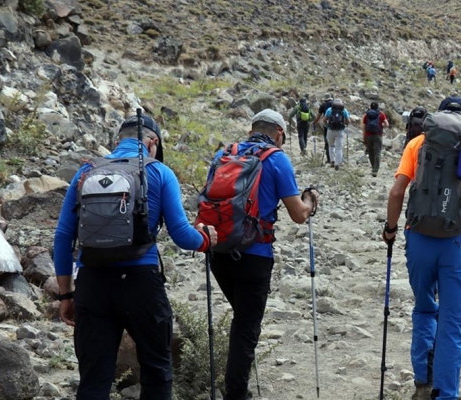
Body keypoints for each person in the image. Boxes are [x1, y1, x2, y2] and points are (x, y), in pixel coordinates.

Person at [53, 113, 218, 400]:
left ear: (117, 142)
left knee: (93, 378)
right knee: (156, 371)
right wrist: (206, 239)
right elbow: (181, 234)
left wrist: (66, 296)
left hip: (93, 285)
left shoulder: (85, 172)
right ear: (152, 143)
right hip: (141, 284)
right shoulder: (159, 172)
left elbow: (63, 237)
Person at [383, 97, 461, 400]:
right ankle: (445, 393)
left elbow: (397, 192)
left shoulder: (418, 144)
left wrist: (391, 229)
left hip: (419, 237)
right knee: (452, 322)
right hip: (456, 243)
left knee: (424, 308)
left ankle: (422, 379)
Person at [208, 109, 319, 400]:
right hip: (255, 254)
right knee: (246, 327)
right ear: (279, 134)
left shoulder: (224, 154)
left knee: (241, 320)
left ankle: (236, 381)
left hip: (219, 251)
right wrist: (309, 201)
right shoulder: (276, 158)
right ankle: (236, 393)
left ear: (251, 130)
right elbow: (298, 214)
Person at [361, 102, 389, 177]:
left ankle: (373, 167)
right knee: (377, 152)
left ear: (370, 107)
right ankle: (375, 170)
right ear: (377, 107)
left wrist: (364, 138)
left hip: (368, 135)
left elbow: (363, 128)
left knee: (370, 152)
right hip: (378, 135)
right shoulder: (381, 114)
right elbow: (387, 124)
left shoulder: (366, 115)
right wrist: (381, 126)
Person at [324, 98, 350, 170]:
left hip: (330, 130)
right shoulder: (344, 110)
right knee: (339, 148)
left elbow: (324, 120)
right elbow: (348, 121)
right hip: (340, 131)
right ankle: (337, 163)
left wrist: (327, 126)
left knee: (331, 146)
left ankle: (332, 161)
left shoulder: (329, 110)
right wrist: (344, 124)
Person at [312, 94, 334, 164]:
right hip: (337, 126)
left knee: (327, 142)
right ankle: (338, 159)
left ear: (325, 99)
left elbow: (318, 117)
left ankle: (329, 159)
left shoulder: (323, 106)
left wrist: (314, 123)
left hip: (327, 126)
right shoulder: (337, 104)